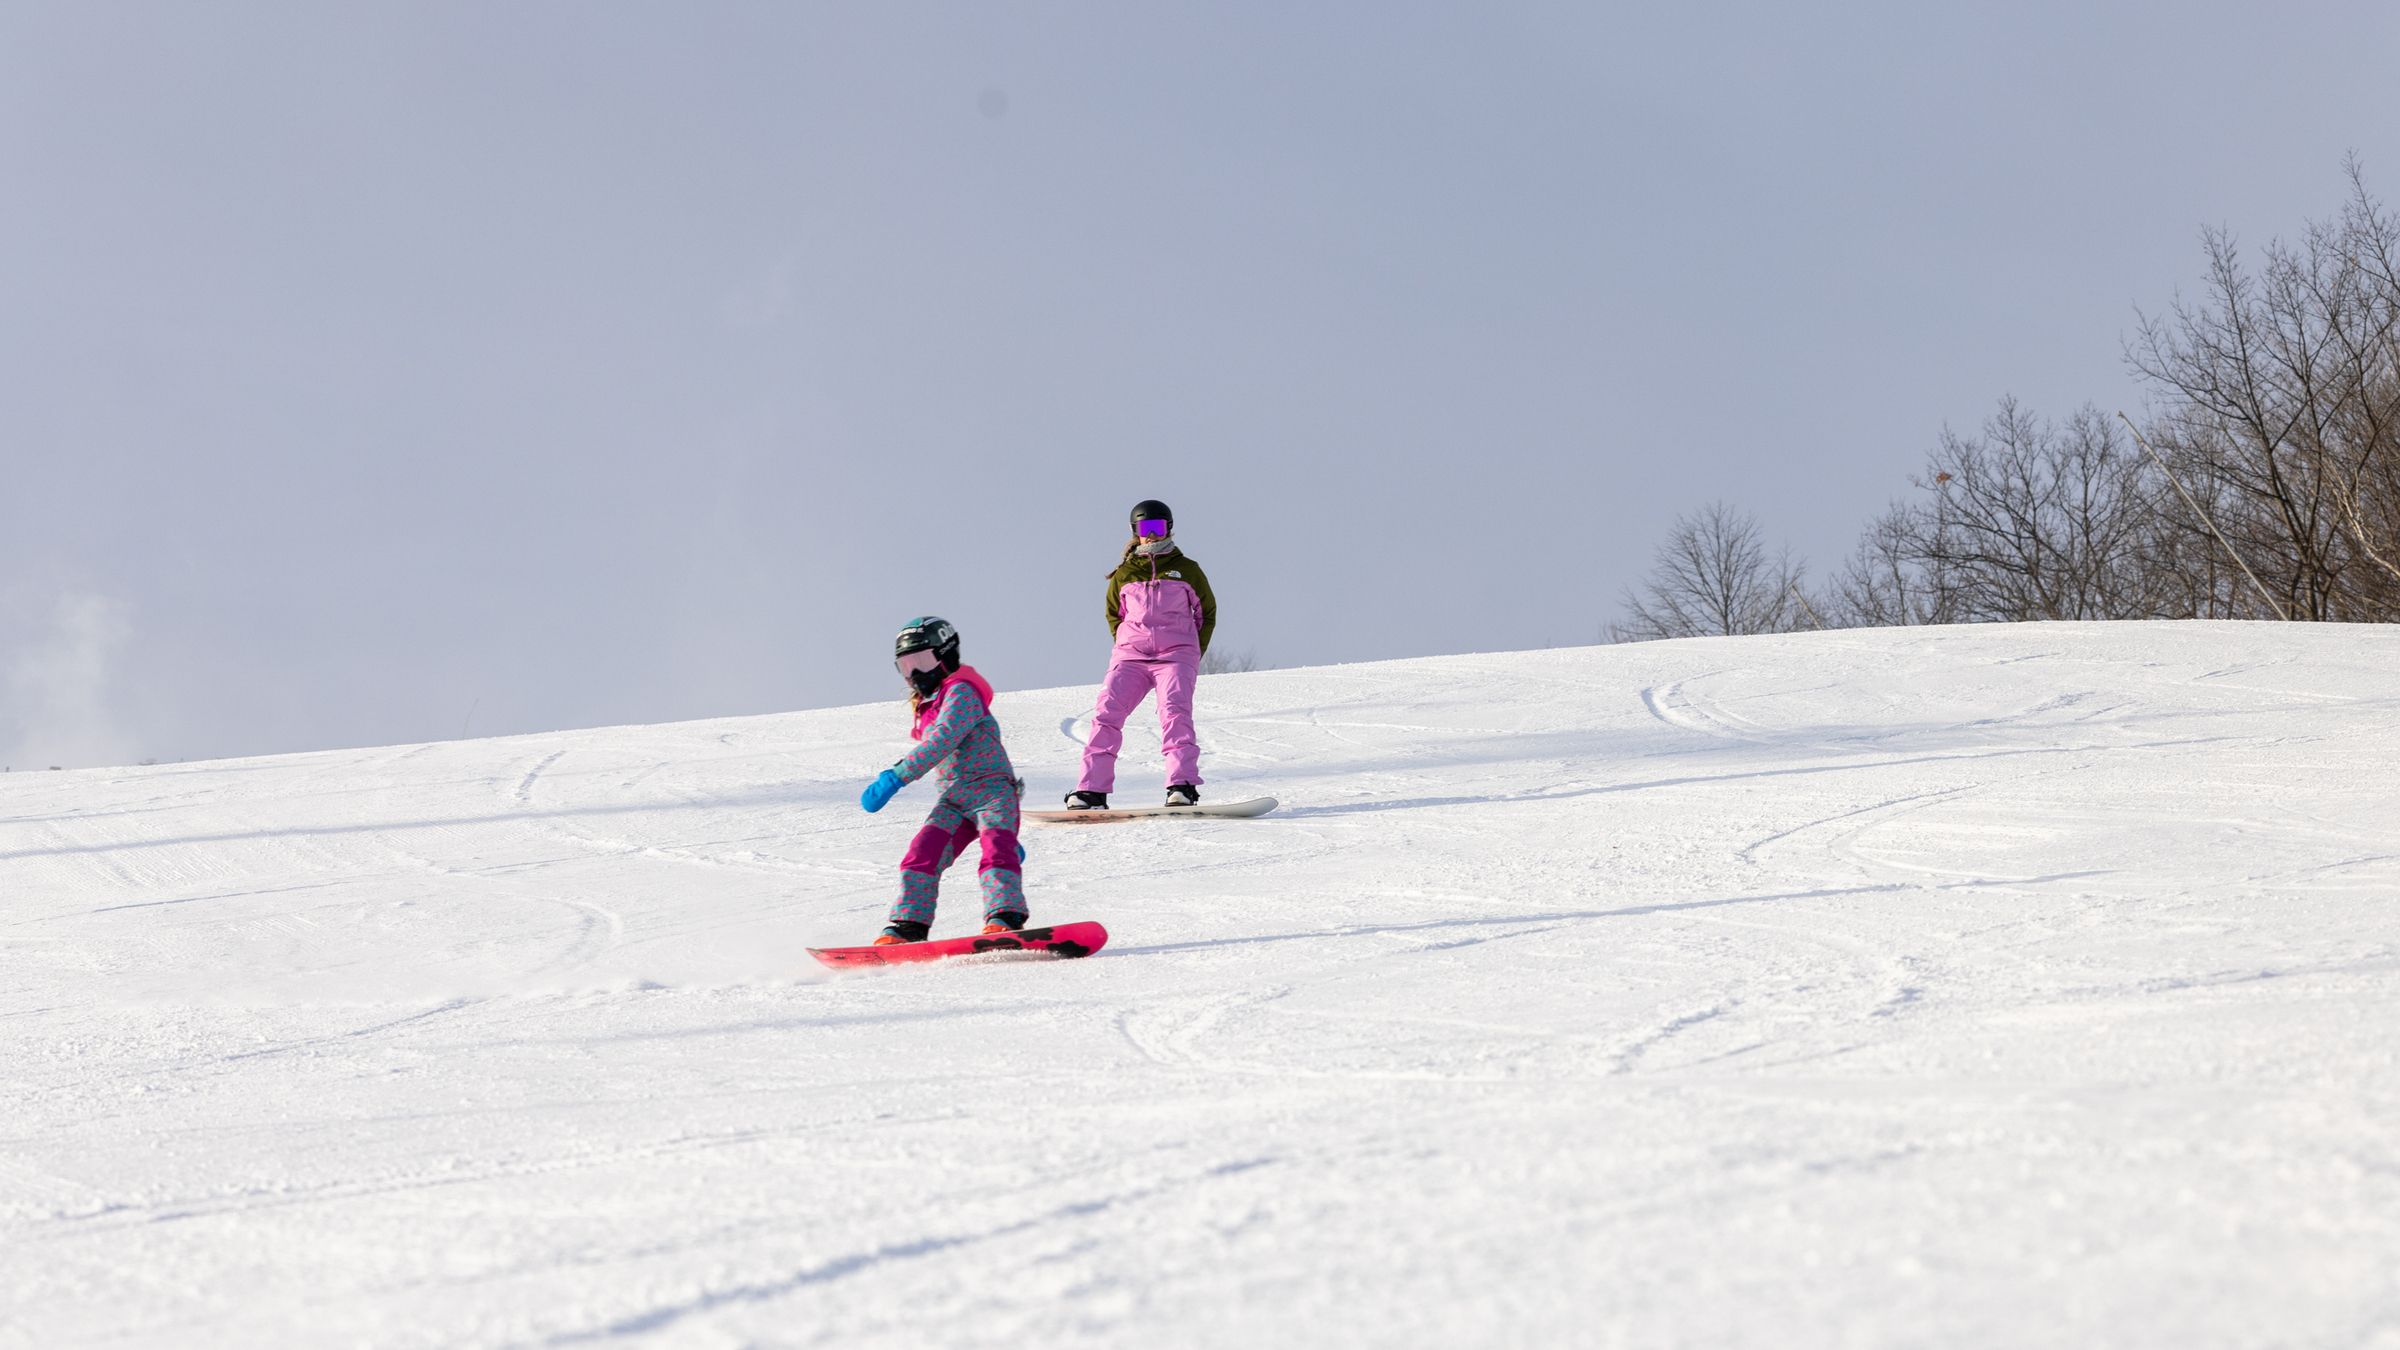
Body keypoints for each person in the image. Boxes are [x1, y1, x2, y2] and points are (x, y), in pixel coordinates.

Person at [858, 616, 1026, 945]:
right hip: (953, 801)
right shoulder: (930, 706)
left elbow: (942, 741)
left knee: (996, 852)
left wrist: (896, 776)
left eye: (922, 662)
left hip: (992, 793)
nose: (915, 674)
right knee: (922, 854)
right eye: (906, 666)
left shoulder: (962, 693)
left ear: (946, 656)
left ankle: (1005, 915)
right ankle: (909, 924)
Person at [1067, 499, 1217, 810]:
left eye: (1157, 527)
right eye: (1145, 527)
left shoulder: (1188, 569)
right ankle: (1091, 791)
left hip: (1175, 656)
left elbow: (1207, 613)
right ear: (1135, 530)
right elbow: (1115, 615)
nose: (1151, 534)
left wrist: (1191, 651)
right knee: (1106, 715)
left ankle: (1182, 786)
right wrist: (1127, 645)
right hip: (1131, 657)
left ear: (1169, 529)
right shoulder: (1124, 573)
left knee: (1174, 713)